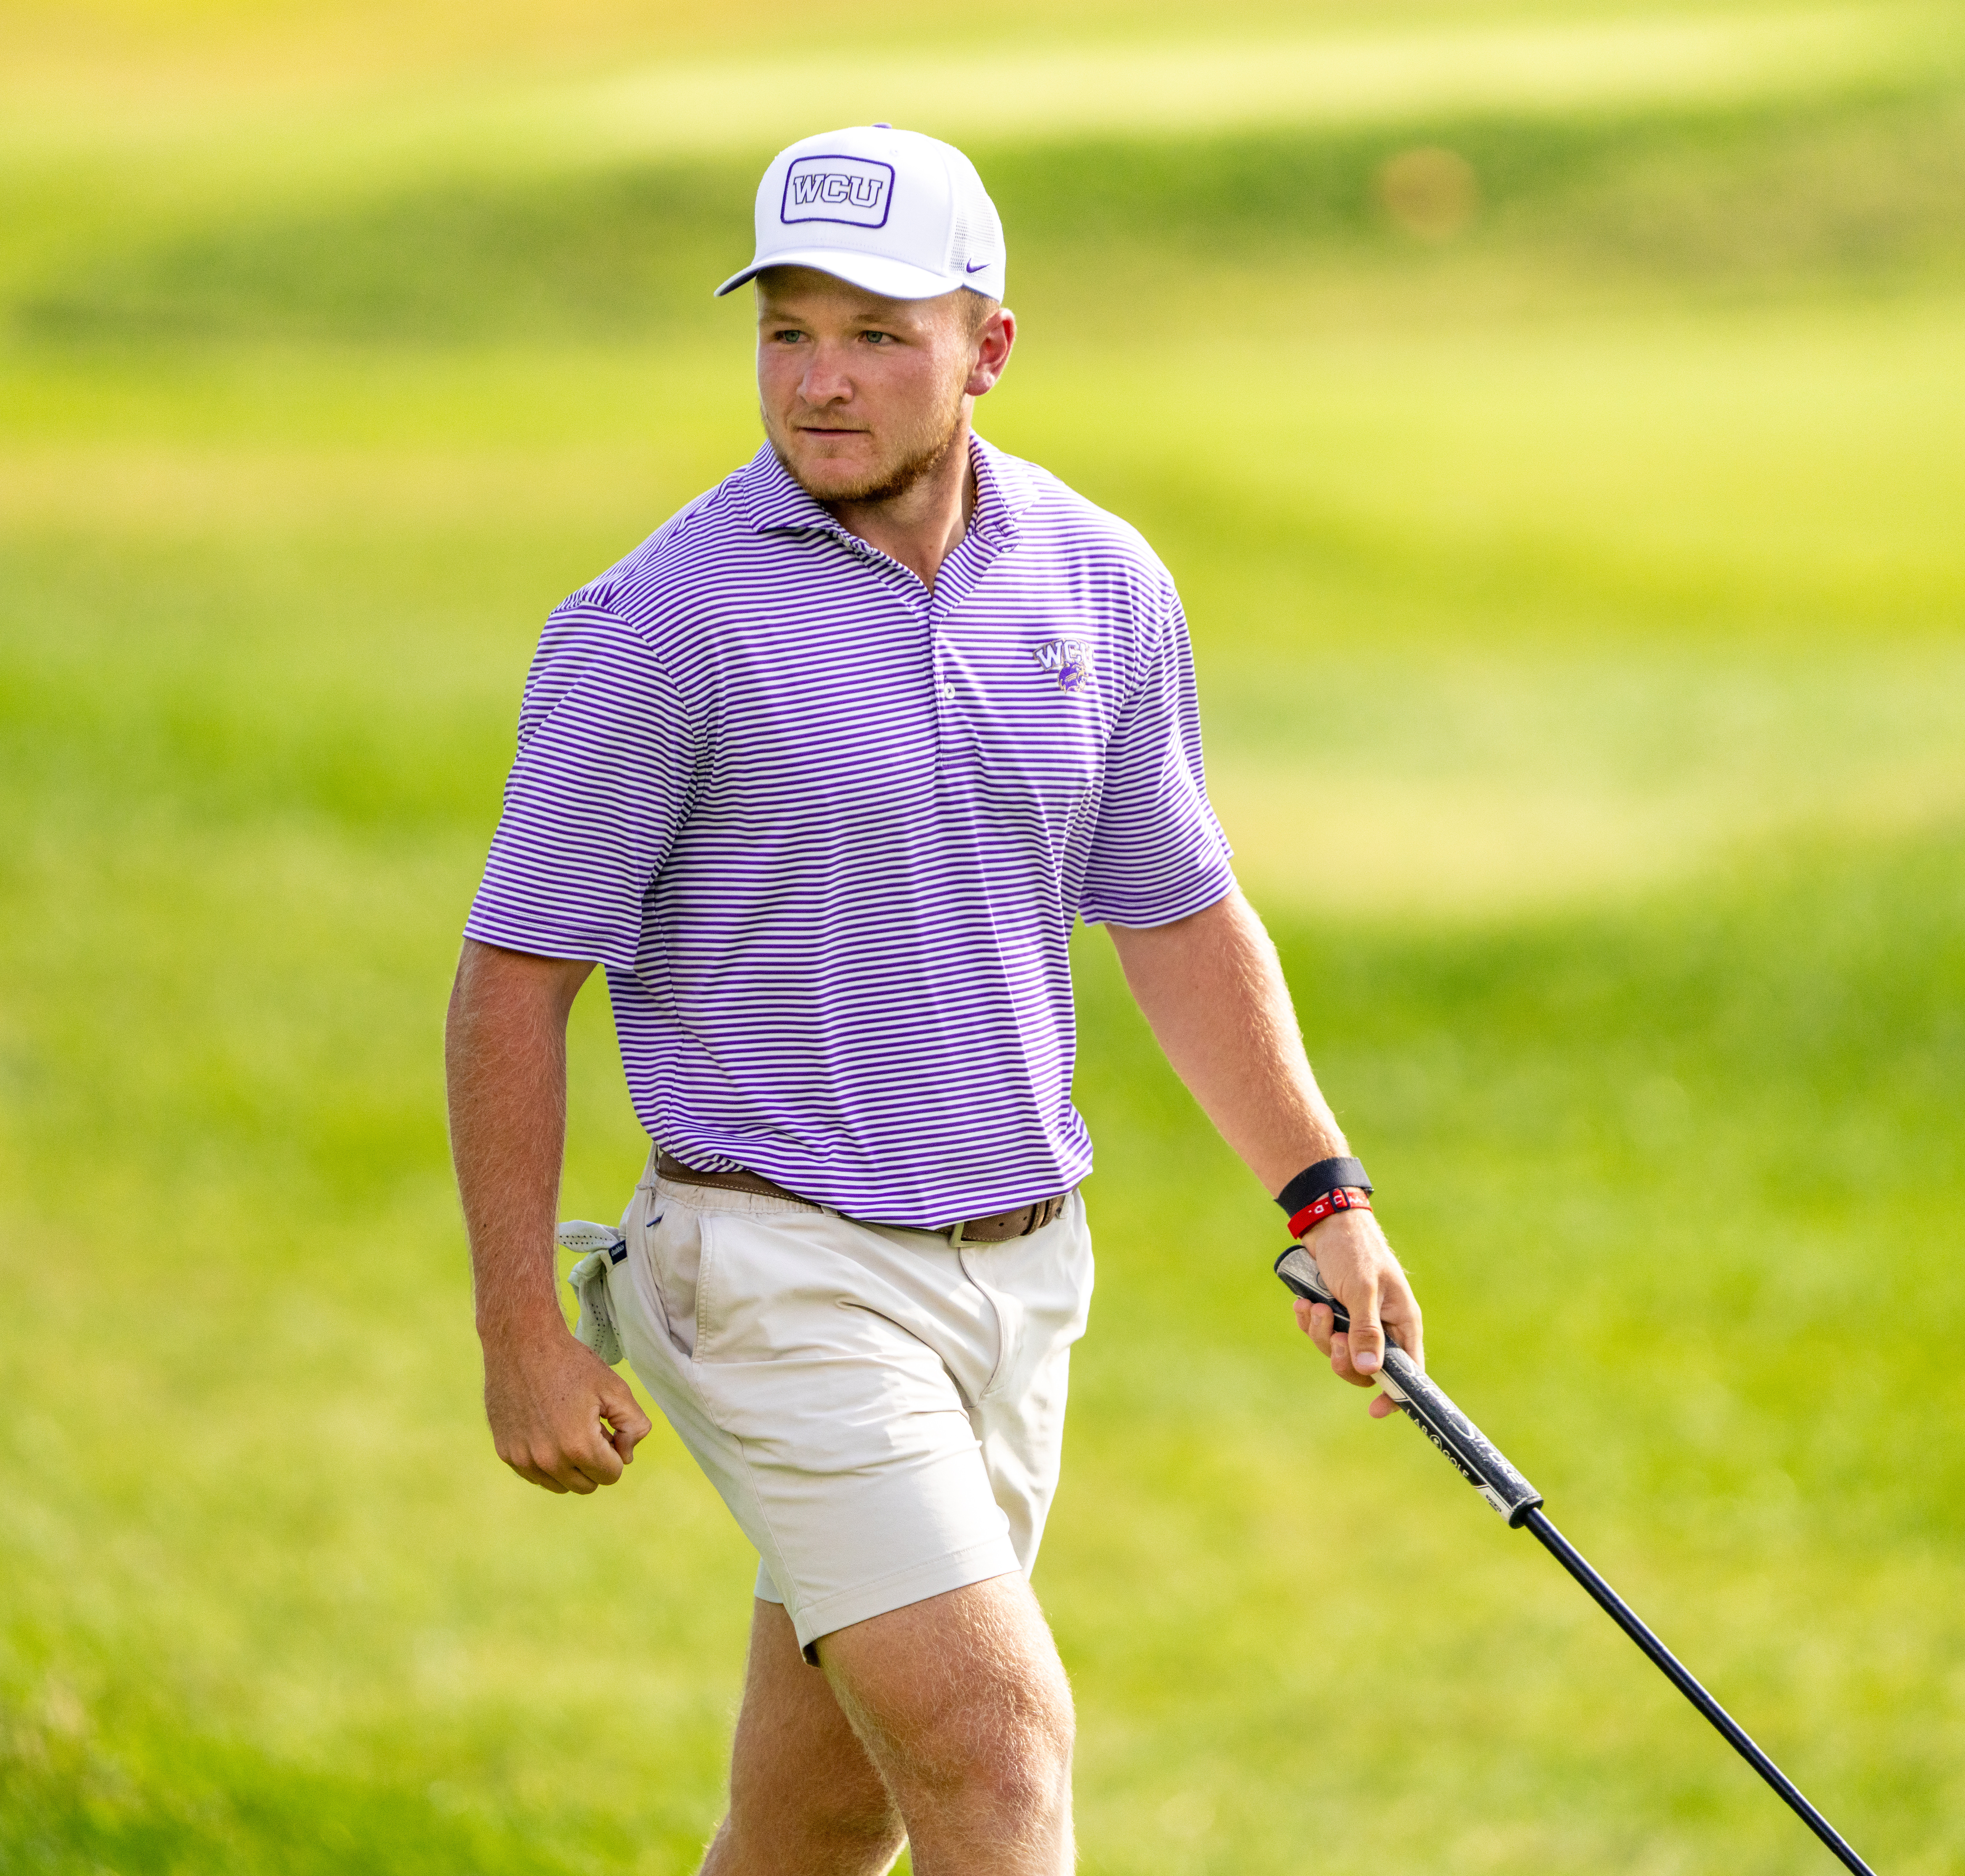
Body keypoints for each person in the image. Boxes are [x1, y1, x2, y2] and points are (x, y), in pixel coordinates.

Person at [444, 124, 1422, 1876]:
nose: (819, 381)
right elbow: (515, 981)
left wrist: (1322, 1192)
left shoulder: (1098, 580)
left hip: (1023, 1277)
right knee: (993, 1742)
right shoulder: (658, 622)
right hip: (774, 1267)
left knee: (822, 1820)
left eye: (878, 336)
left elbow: (1178, 912)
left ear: (989, 347)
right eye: (787, 331)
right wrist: (520, 1326)